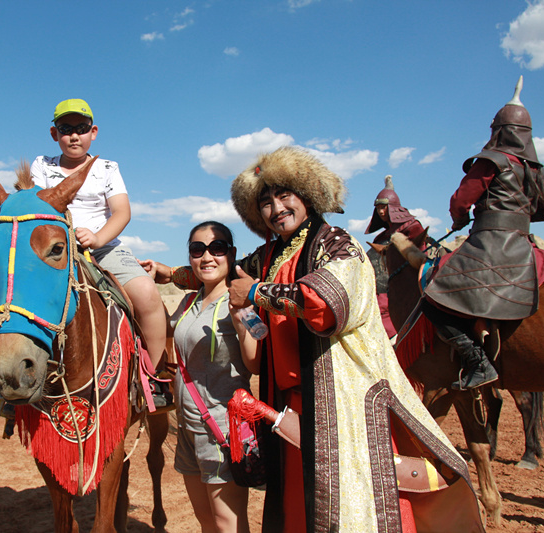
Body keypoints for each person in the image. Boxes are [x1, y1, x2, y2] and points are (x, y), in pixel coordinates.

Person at [161, 147, 483, 531]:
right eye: (265, 202)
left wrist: (257, 294)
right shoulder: (271, 255)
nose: (276, 208)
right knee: (300, 506)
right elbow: (223, 271)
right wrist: (172, 274)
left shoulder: (337, 243)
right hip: (290, 403)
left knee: (351, 503)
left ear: (306, 196)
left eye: (284, 196)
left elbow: (327, 303)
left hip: (340, 400)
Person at [31, 98, 171, 406]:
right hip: (58, 251)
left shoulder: (107, 168)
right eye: (65, 129)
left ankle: (154, 376)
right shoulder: (42, 166)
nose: (74, 136)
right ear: (55, 134)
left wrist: (96, 237)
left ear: (93, 132)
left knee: (147, 294)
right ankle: (19, 382)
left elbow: (121, 212)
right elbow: (39, 209)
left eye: (81, 128)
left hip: (104, 248)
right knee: (19, 299)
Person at [423, 76, 544, 390]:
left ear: (497, 130)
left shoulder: (491, 160)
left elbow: (461, 200)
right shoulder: (537, 171)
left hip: (490, 245)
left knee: (434, 298)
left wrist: (458, 219)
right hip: (525, 245)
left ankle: (478, 363)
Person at [142, 221, 259, 533]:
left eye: (216, 248)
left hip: (222, 429)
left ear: (231, 254)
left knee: (228, 524)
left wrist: (240, 319)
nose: (207, 256)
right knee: (207, 522)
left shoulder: (240, 301)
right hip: (188, 428)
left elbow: (256, 362)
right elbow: (165, 332)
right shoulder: (190, 300)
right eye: (198, 249)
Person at [364, 176, 426, 339]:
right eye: (378, 208)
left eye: (384, 207)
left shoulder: (412, 227)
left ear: (393, 207)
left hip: (409, 289)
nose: (381, 212)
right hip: (383, 292)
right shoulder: (382, 237)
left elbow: (420, 257)